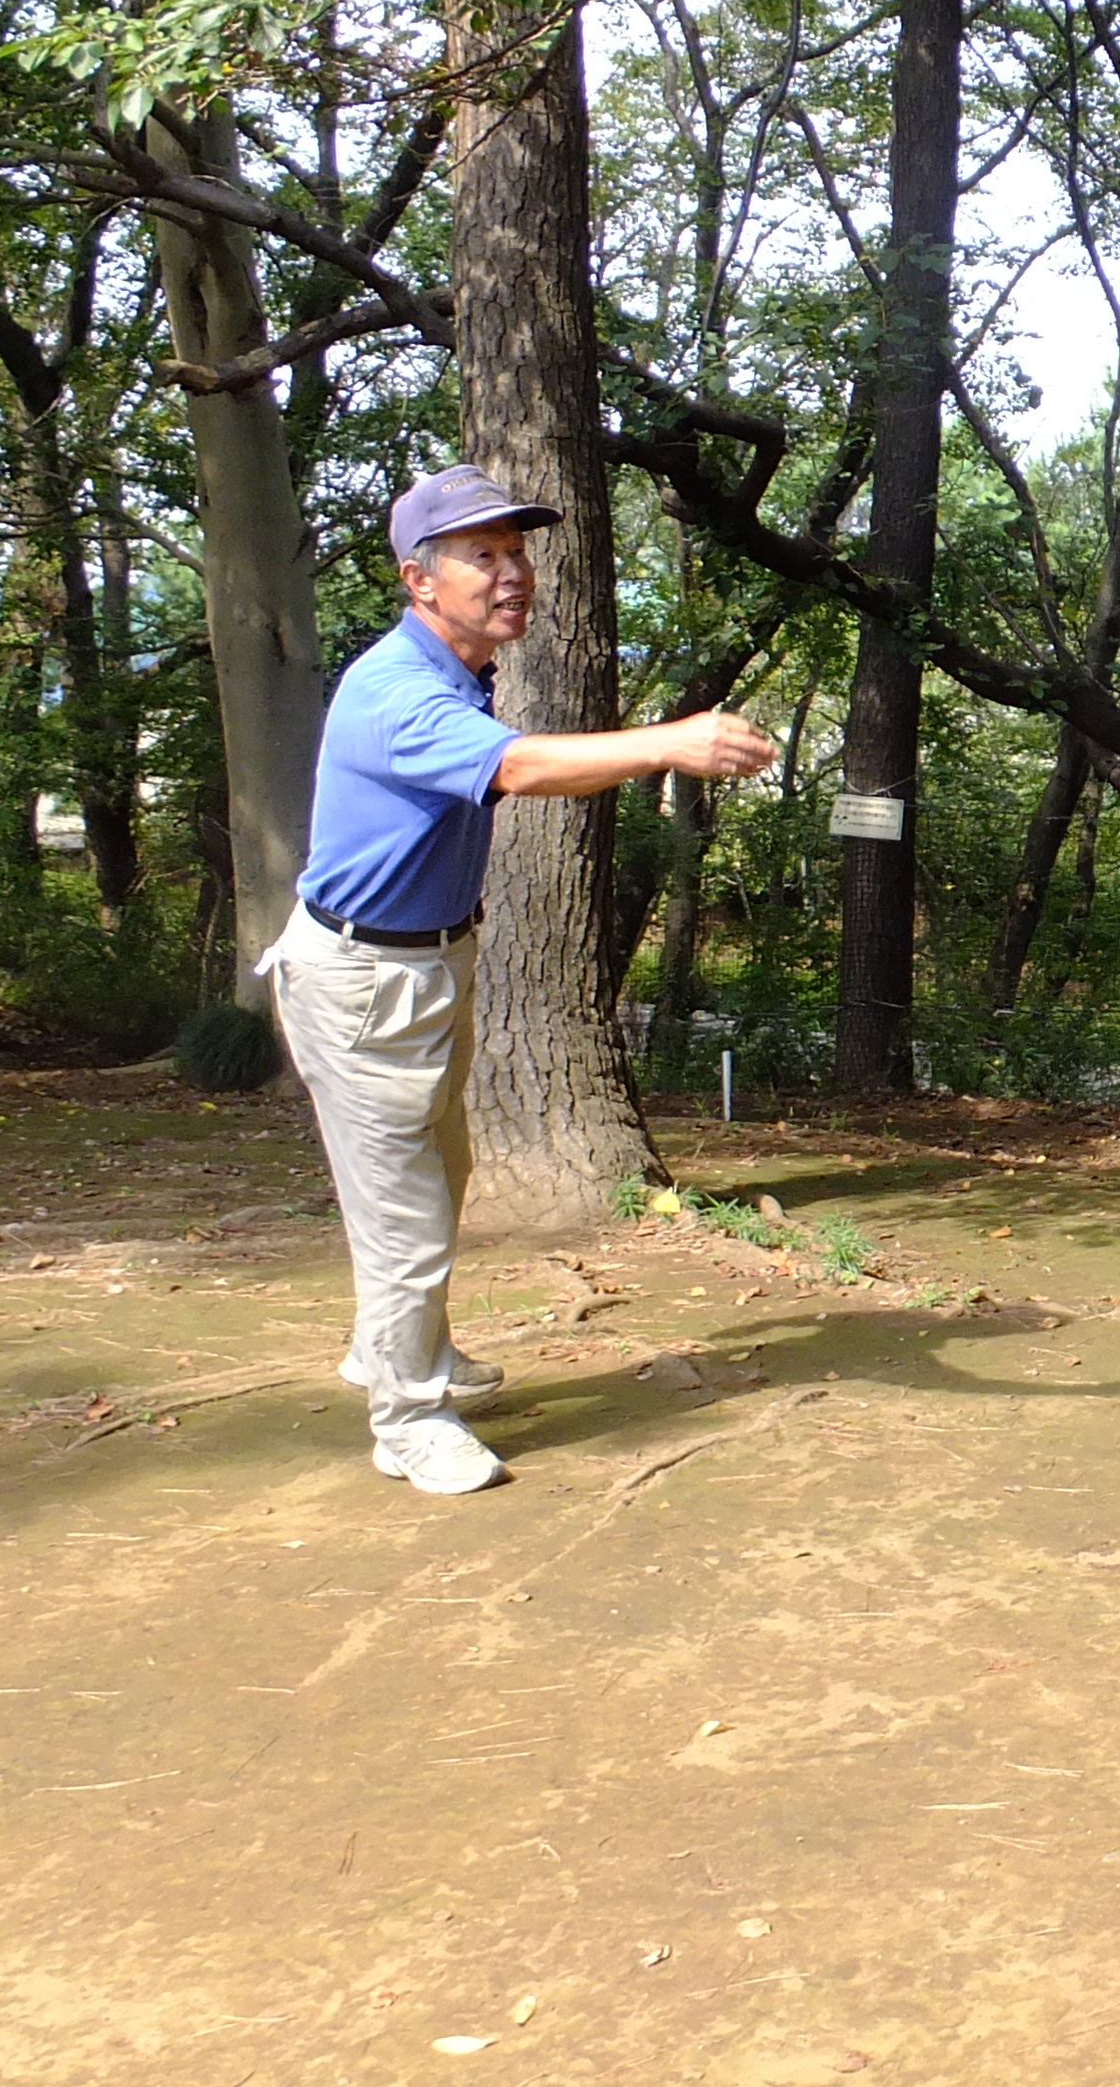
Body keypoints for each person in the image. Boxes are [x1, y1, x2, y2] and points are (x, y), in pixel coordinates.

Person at [266, 465, 778, 1494]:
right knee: (405, 1213)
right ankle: (409, 1420)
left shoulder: (459, 671)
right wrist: (672, 743)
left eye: (517, 552)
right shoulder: (398, 691)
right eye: (483, 556)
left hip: (425, 963)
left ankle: (393, 1346)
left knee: (439, 1175)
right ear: (419, 581)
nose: (513, 574)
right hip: (364, 980)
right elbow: (518, 770)